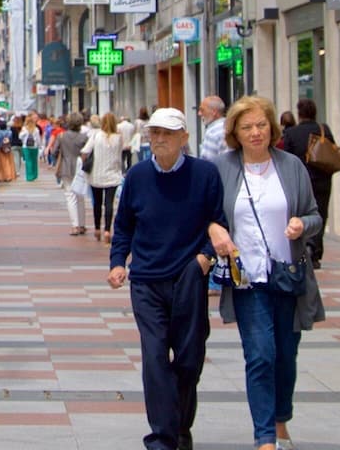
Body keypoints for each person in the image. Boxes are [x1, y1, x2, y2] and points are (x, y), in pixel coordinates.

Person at [205, 97, 325, 450]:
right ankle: (265, 437)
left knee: (286, 355)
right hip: (246, 277)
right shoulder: (222, 168)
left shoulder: (291, 167)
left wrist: (303, 224)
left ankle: (280, 416)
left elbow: (315, 216)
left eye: (261, 125)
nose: (255, 133)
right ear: (234, 133)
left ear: (272, 128)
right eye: (246, 127)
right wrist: (215, 229)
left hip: (287, 274)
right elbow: (207, 213)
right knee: (260, 354)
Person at [108, 107, 226, 450]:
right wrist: (118, 261)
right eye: (155, 133)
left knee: (189, 358)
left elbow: (218, 220)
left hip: (189, 276)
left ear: (184, 139)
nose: (159, 139)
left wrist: (204, 258)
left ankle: (179, 426)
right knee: (155, 355)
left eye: (167, 133)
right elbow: (124, 225)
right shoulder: (138, 176)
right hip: (146, 279)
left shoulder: (205, 175)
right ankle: (162, 438)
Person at [279, 100, 338, 268]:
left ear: (300, 114)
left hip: (301, 180)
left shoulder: (292, 133)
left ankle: (305, 248)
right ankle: (315, 251)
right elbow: (332, 151)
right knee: (320, 213)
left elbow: (286, 158)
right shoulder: (323, 129)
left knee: (301, 214)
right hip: (323, 178)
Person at [83, 114, 128, 242]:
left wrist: (85, 161)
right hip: (113, 174)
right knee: (109, 203)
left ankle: (97, 228)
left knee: (97, 203)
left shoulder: (96, 135)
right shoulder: (118, 138)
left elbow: (85, 151)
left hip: (96, 174)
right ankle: (107, 230)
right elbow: (121, 154)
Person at [51, 113, 91, 236]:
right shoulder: (84, 137)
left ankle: (74, 225)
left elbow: (54, 151)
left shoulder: (61, 136)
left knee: (70, 196)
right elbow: (89, 153)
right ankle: (82, 225)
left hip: (66, 167)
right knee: (80, 196)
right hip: (80, 168)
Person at [0, 117, 18, 182]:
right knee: (8, 163)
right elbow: (11, 140)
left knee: (0, 164)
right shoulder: (10, 132)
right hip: (8, 148)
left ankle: (0, 176)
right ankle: (9, 176)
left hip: (0, 149)